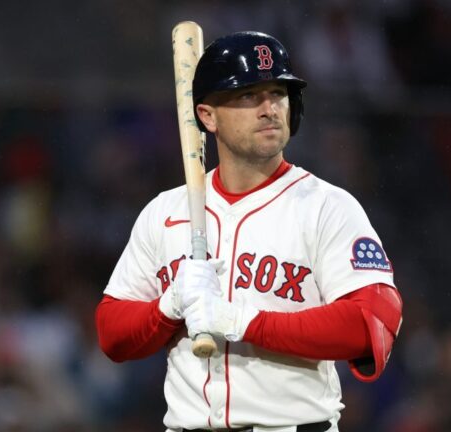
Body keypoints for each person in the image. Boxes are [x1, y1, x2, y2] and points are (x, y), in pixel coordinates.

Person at [95, 31, 403, 432]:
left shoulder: (327, 206)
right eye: (247, 95)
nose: (269, 108)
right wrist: (169, 307)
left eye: (278, 93)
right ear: (206, 116)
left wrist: (243, 321)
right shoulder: (166, 211)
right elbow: (111, 332)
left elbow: (372, 323)